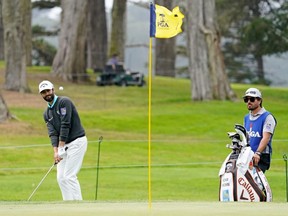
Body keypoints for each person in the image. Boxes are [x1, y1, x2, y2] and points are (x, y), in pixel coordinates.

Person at [38, 80, 87, 200]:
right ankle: (68, 205)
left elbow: (66, 124)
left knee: (69, 176)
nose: (47, 94)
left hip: (77, 141)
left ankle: (79, 206)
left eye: (48, 90)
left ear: (53, 90)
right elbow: (52, 133)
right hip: (63, 145)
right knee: (61, 177)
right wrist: (56, 152)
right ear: (41, 94)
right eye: (43, 92)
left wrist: (60, 147)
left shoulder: (64, 102)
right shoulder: (46, 113)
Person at [243, 87, 277, 173]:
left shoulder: (267, 117)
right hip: (247, 155)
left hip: (260, 156)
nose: (249, 102)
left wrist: (258, 153)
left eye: (252, 99)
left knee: (256, 184)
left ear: (259, 100)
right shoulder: (247, 117)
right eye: (246, 99)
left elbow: (266, 138)